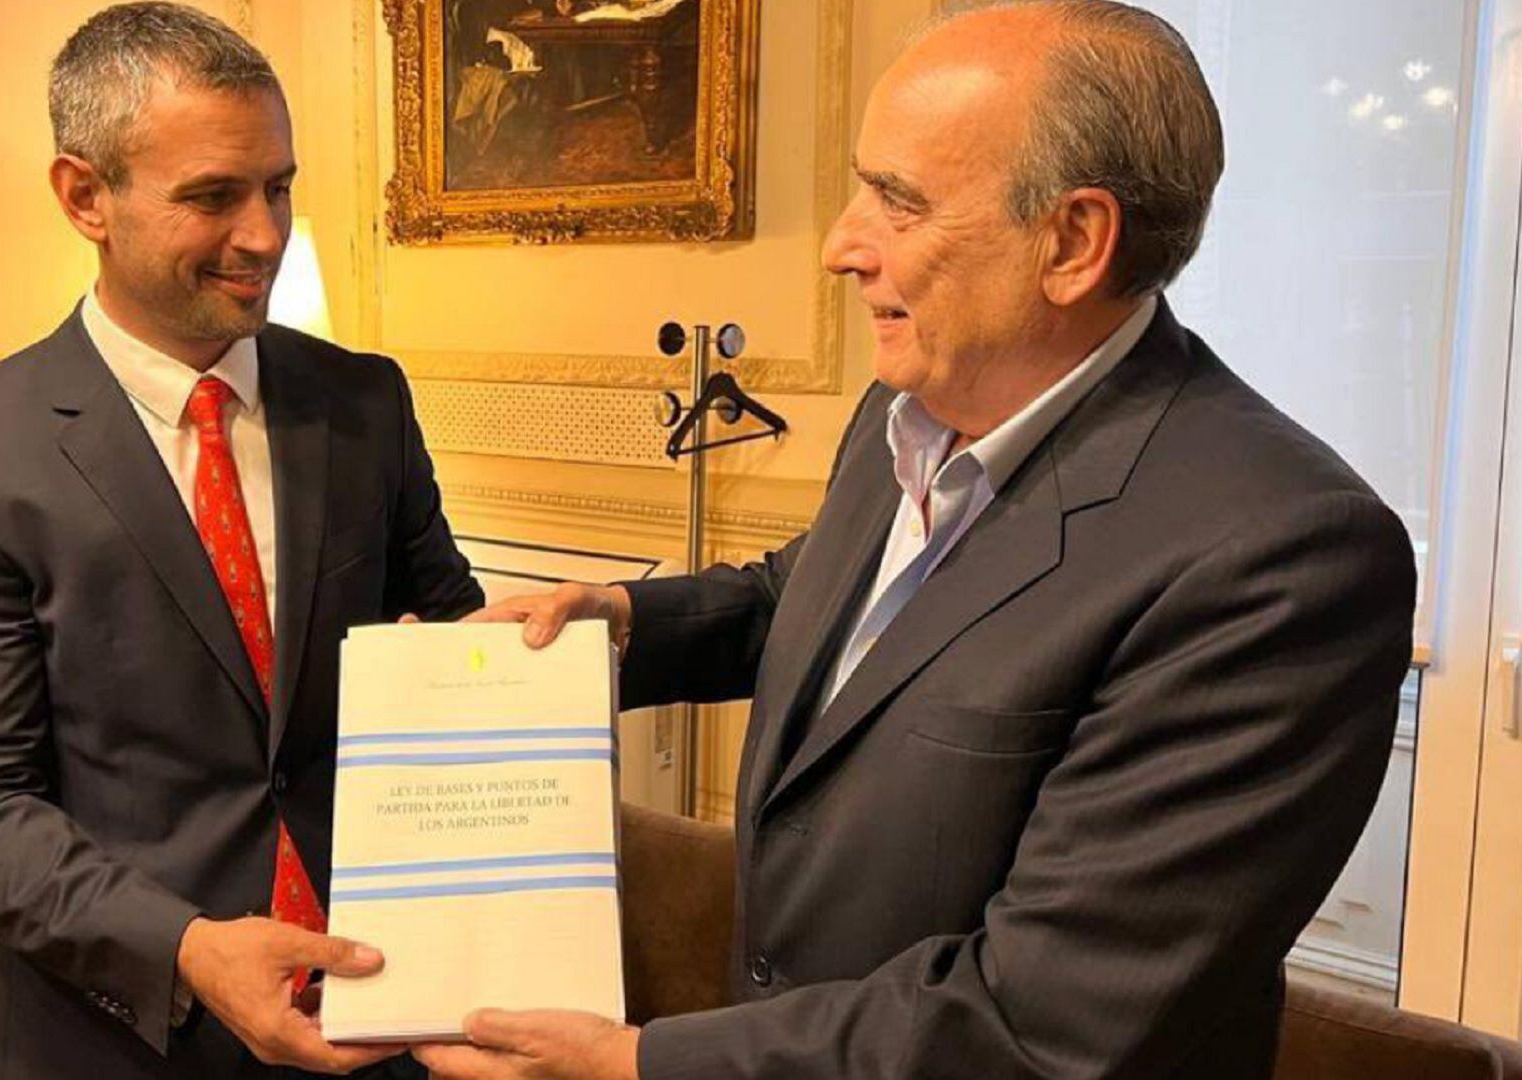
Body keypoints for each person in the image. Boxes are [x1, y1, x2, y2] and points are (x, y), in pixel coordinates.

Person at [415, 2, 1417, 1078]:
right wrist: (619, 621)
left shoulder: (1282, 558)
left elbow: (1041, 1026)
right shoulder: (907, 412)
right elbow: (818, 602)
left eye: (898, 202)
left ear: (1073, 242)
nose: (841, 246)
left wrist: (636, 1066)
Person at [0, 5, 481, 1078]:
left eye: (279, 187)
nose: (265, 235)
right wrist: (188, 950)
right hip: (122, 1036)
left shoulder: (363, 402)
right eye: (213, 196)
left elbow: (454, 645)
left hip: (382, 1008)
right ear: (85, 197)